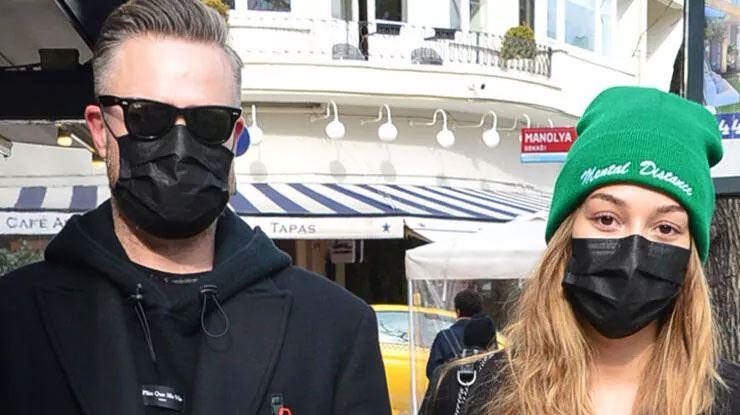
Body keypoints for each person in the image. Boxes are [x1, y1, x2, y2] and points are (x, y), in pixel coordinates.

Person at [0, 1, 390, 414]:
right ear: (99, 129)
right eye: (147, 116)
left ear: (234, 134)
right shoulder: (14, 321)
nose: (180, 147)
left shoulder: (334, 329)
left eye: (209, 122)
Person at [423, 87, 740, 415]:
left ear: (691, 255)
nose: (633, 254)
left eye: (665, 228)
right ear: (566, 234)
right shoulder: (466, 393)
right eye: (607, 219)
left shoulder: (730, 400)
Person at [427, 289, 484, 379]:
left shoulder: (443, 337)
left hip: (450, 387)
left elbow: (431, 372)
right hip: (479, 387)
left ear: (457, 311)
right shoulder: (488, 337)